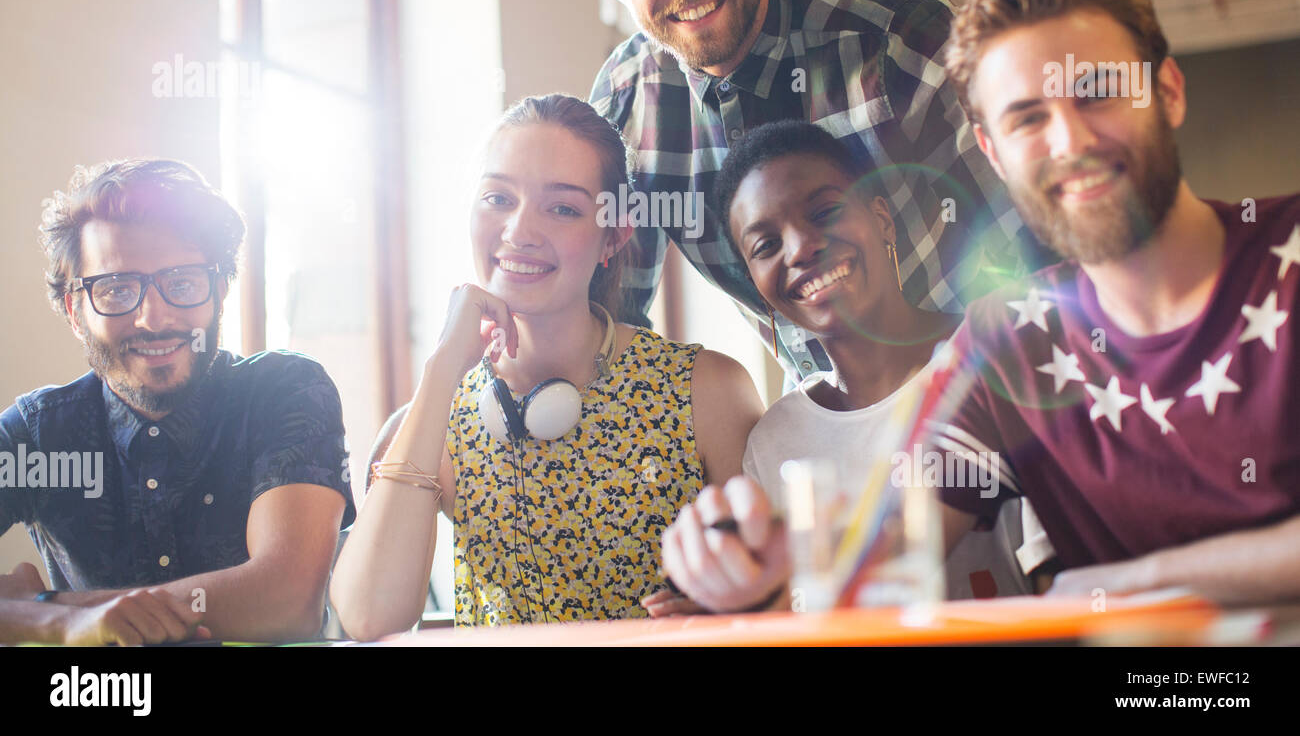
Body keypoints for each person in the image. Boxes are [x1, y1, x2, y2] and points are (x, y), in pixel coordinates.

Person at [676, 0, 1299, 608]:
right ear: (994, 151)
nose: (1069, 140)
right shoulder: (1009, 341)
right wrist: (760, 578)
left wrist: (1128, 582)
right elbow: (884, 558)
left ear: (1167, 92)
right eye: (1028, 117)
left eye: (1096, 92)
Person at [584, 0, 1040, 382]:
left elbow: (1029, 240)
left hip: (976, 380)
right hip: (818, 420)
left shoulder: (899, 35)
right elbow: (609, 323)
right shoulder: (626, 103)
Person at [329, 94, 763, 637]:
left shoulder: (706, 390)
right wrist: (442, 368)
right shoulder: (436, 417)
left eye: (562, 208)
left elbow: (782, 597)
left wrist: (736, 611)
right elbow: (368, 617)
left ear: (615, 235)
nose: (519, 232)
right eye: (497, 198)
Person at [650, 122, 1050, 614]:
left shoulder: (996, 358)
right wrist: (735, 614)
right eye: (765, 246)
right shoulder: (778, 437)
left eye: (825, 212)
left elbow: (1061, 579)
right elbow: (793, 615)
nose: (799, 249)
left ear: (882, 219)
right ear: (756, 285)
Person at [0, 159, 355, 644]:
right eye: (117, 288)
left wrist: (48, 607)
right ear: (75, 310)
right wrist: (58, 623)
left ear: (221, 290)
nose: (154, 317)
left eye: (183, 282)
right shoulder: (36, 436)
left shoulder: (285, 392)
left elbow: (286, 599)